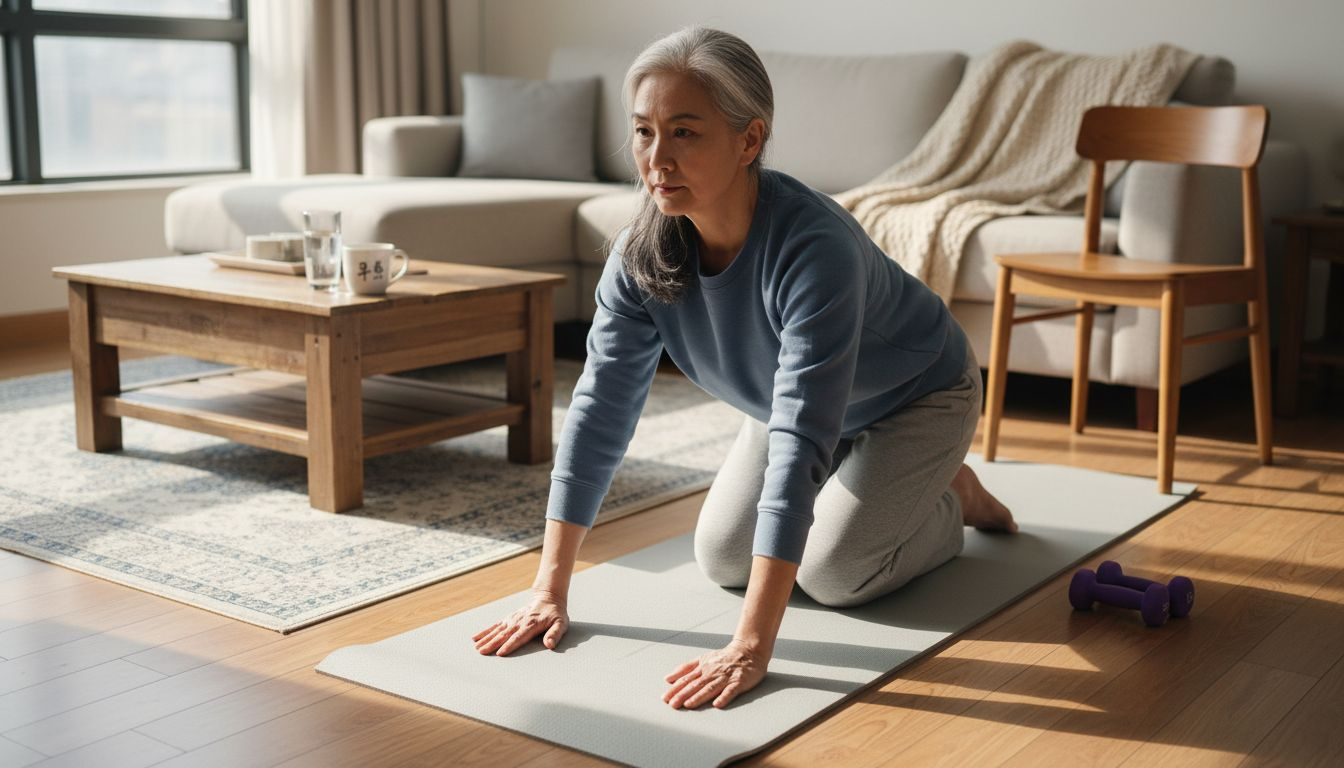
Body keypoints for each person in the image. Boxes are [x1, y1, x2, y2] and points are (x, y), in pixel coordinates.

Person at [471, 26, 1017, 710]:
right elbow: (600, 410)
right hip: (790, 402)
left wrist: (752, 646)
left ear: (749, 141)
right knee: (723, 557)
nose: (656, 160)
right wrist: (549, 590)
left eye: (686, 133)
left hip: (916, 396)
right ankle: (894, 486)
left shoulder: (815, 249)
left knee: (837, 571)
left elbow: (799, 440)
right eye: (643, 131)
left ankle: (945, 498)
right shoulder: (641, 250)